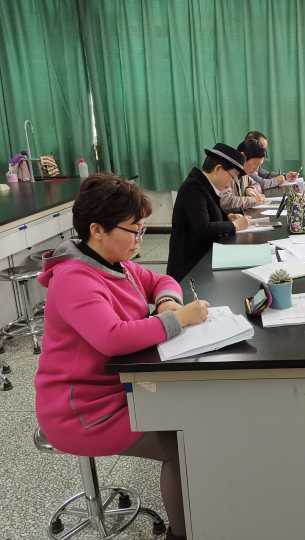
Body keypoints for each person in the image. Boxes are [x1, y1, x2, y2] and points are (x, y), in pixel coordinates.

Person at [35, 174, 210, 540]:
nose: (139, 239)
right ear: (97, 230)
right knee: (182, 444)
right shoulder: (74, 279)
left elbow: (161, 281)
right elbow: (112, 338)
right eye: (134, 231)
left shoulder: (117, 263)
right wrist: (177, 319)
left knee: (194, 413)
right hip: (83, 410)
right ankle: (181, 534)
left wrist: (167, 302)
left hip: (119, 388)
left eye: (142, 230)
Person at [167, 143, 250, 282]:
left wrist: (228, 218)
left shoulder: (205, 186)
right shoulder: (193, 188)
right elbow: (203, 228)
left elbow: (210, 214)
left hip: (203, 261)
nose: (231, 183)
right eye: (232, 176)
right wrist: (235, 225)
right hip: (189, 270)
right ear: (218, 169)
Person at [220, 138, 267, 212]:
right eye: (255, 164)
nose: (256, 169)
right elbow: (225, 201)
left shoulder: (245, 174)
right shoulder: (227, 173)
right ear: (242, 156)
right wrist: (253, 200)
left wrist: (250, 188)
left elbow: (257, 184)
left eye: (259, 165)